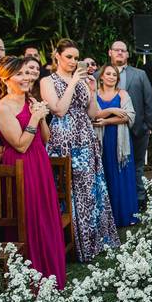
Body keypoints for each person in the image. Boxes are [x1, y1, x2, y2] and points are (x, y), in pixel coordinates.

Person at [41, 38, 119, 262]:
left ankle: (92, 242)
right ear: (57, 55)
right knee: (67, 190)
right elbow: (59, 110)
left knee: (89, 188)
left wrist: (92, 91)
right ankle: (69, 244)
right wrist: (73, 82)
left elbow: (93, 114)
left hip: (85, 137)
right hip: (63, 140)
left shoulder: (84, 81)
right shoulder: (48, 81)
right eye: (69, 57)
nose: (74, 61)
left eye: (76, 58)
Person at [0, 57, 66, 288]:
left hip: (40, 162)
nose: (26, 78)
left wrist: (41, 117)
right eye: (20, 74)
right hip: (21, 166)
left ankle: (52, 275)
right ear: (5, 78)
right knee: (29, 216)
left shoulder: (31, 99)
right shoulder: (2, 107)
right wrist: (34, 117)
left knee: (46, 215)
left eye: (28, 73)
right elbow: (21, 144)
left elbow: (45, 139)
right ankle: (31, 279)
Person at [107, 40, 152, 210]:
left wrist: (148, 126)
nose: (120, 53)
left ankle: (140, 199)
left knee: (137, 166)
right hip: (109, 130)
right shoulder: (99, 75)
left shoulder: (139, 74)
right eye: (116, 50)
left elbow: (149, 100)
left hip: (137, 130)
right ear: (110, 52)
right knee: (113, 165)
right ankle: (115, 202)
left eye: (123, 50)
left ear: (127, 54)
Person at [94, 64, 139, 228]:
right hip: (101, 142)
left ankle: (126, 216)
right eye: (108, 74)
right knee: (105, 176)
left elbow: (129, 116)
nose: (112, 77)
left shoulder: (122, 94)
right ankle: (107, 218)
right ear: (102, 77)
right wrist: (113, 111)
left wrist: (106, 120)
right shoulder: (94, 95)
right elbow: (93, 117)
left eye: (114, 75)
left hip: (120, 143)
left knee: (121, 176)